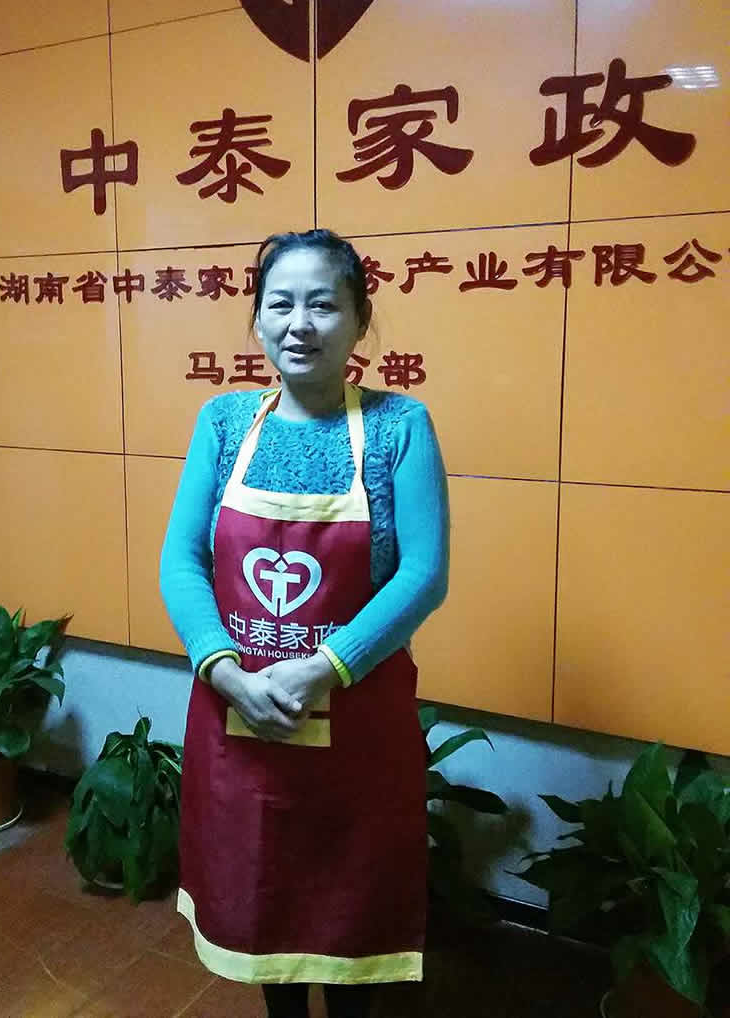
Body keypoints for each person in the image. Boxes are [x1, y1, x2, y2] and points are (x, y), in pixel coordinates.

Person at [160, 228, 450, 1018]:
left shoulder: (400, 426)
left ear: (359, 320)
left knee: (352, 915)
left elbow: (424, 574)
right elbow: (181, 560)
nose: (299, 324)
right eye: (280, 304)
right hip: (240, 717)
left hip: (358, 723)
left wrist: (321, 667)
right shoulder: (223, 423)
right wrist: (226, 671)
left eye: (322, 305)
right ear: (256, 319)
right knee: (262, 910)